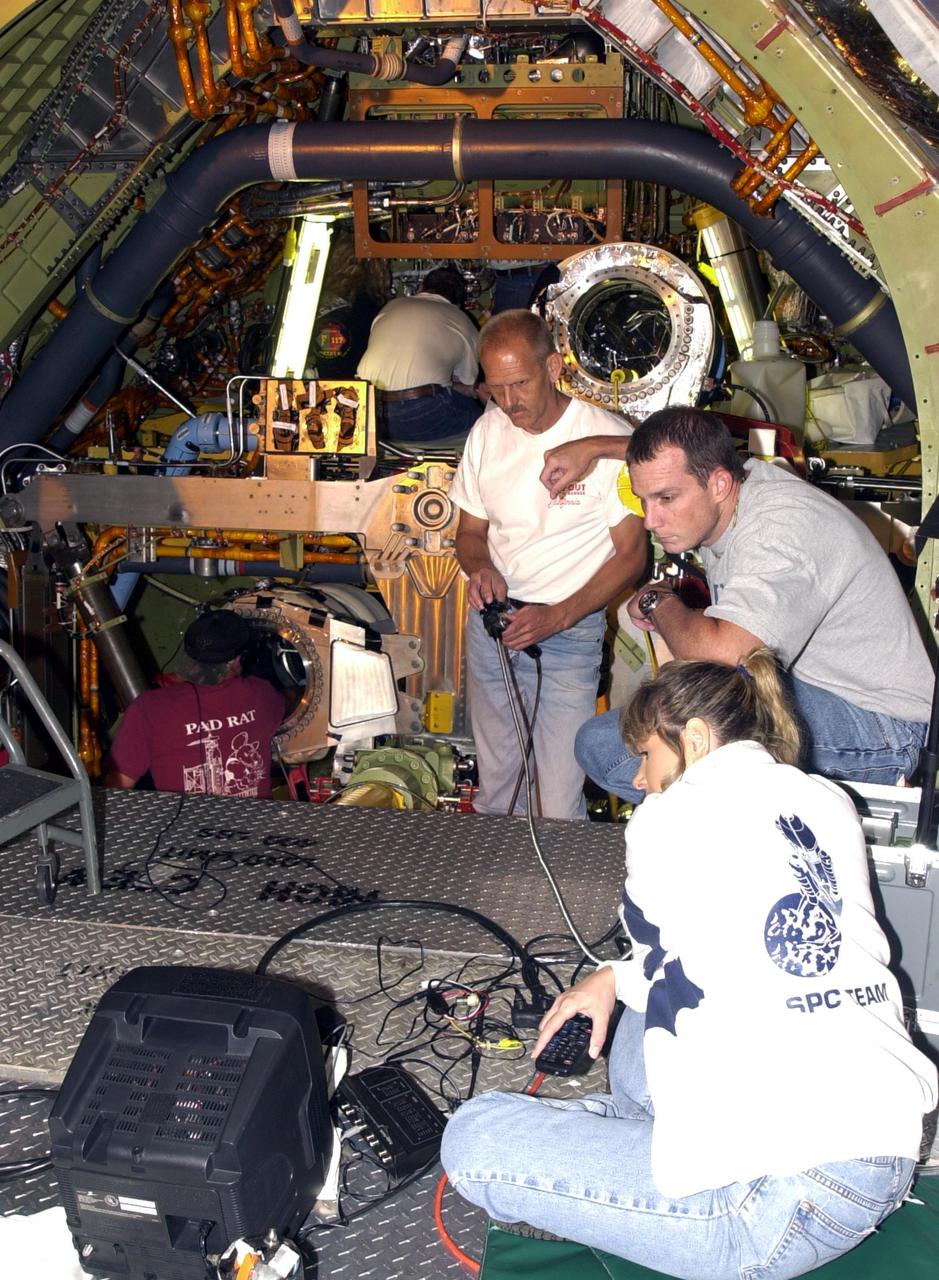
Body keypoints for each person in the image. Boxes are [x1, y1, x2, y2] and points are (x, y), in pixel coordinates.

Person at [442, 651, 938, 1279]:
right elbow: (699, 959)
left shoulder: (667, 816)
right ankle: (615, 1142)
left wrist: (628, 976)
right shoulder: (828, 799)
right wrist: (613, 977)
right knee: (634, 1012)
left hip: (772, 1205)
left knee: (473, 1138)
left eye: (646, 757)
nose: (641, 780)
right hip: (887, 1140)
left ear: (696, 739)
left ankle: (605, 1149)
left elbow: (672, 968)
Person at [539, 407, 933, 802]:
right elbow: (679, 461)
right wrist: (592, 448)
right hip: (816, 692)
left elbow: (728, 658)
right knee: (606, 739)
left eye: (666, 499)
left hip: (882, 727)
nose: (650, 519)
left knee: (616, 749)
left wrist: (660, 600)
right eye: (645, 500)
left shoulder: (780, 527)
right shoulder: (732, 485)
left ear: (720, 485)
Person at [449, 309, 648, 821]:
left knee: (558, 804)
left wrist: (558, 616)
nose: (509, 403)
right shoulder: (486, 433)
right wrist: (481, 570)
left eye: (519, 384)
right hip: (493, 625)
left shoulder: (604, 437)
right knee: (498, 794)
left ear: (554, 367)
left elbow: (633, 555)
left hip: (568, 633)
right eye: (496, 389)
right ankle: (494, 899)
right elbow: (469, 534)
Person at [107, 610, 285, 799]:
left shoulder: (149, 708)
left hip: (184, 827)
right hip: (254, 825)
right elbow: (287, 702)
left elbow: (118, 787)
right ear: (238, 659)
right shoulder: (262, 693)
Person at [356, 264, 484, 445]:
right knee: (487, 420)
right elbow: (468, 381)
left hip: (369, 410)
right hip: (422, 413)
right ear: (458, 300)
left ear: (423, 287)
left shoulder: (391, 306)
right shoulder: (460, 318)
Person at [309, 231, 391, 381]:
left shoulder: (317, 298)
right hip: (357, 389)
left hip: (321, 385)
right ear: (378, 264)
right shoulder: (369, 306)